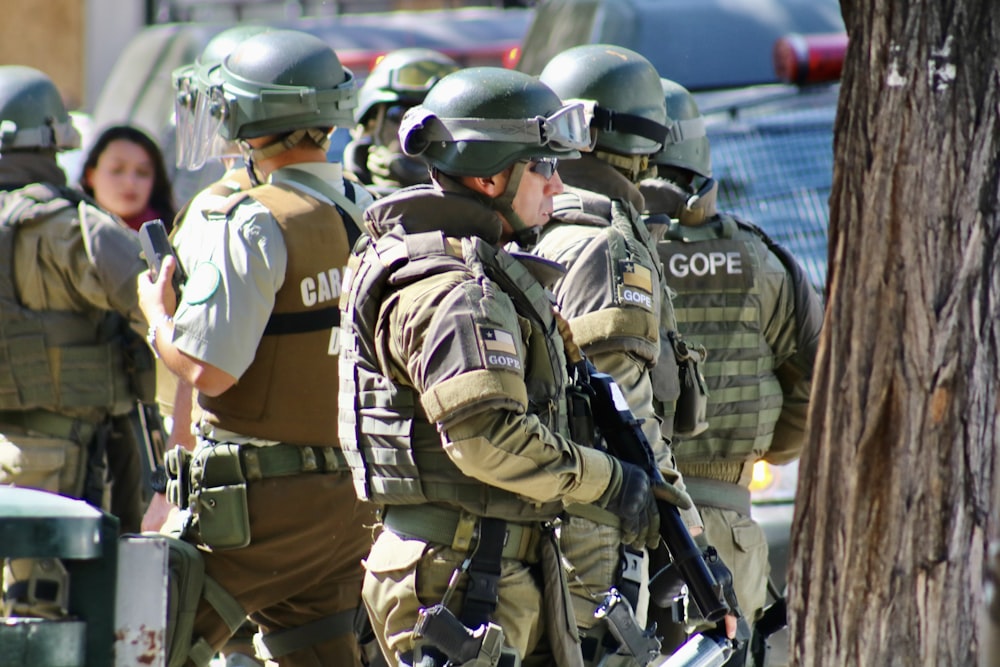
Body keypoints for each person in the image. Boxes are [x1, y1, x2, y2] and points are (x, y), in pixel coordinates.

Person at [338, 66, 675, 667]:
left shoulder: (473, 268)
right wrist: (612, 482)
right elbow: (485, 437)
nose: (556, 183)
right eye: (542, 165)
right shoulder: (457, 290)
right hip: (461, 581)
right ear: (491, 175)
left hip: (478, 567)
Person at [137, 29, 376, 666]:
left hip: (255, 514)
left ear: (247, 117)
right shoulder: (373, 207)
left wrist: (158, 317)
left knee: (137, 634)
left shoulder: (250, 220)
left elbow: (209, 371)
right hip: (351, 503)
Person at [534, 44, 712, 665]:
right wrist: (687, 528)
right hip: (599, 521)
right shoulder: (608, 243)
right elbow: (622, 407)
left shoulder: (530, 217)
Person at [638, 77, 824, 663]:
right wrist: (759, 453)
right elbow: (820, 383)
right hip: (728, 528)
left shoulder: (593, 254)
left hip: (613, 523)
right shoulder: (764, 262)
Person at [0, 65, 155, 616]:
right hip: (60, 460)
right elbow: (162, 303)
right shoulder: (71, 227)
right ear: (54, 139)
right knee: (55, 623)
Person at [342, 47, 458, 195]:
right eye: (399, 115)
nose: (417, 130)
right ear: (370, 124)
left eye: (436, 121)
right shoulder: (338, 202)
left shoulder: (479, 208)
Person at [80, 123, 177, 232]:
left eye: (142, 172)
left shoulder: (179, 239)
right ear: (91, 175)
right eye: (117, 170)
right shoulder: (67, 233)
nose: (130, 182)